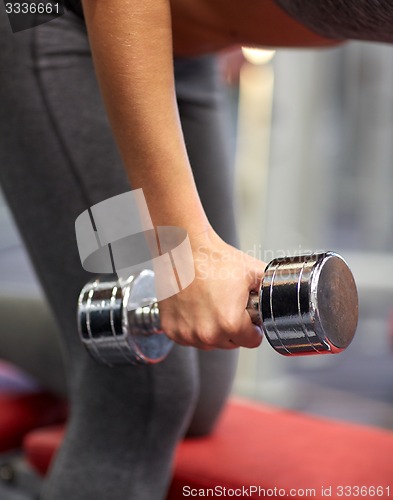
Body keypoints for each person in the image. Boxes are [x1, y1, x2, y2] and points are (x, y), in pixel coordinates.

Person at [0, 0, 385, 498]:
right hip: (57, 17)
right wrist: (190, 249)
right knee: (141, 389)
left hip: (181, 54)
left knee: (197, 384)